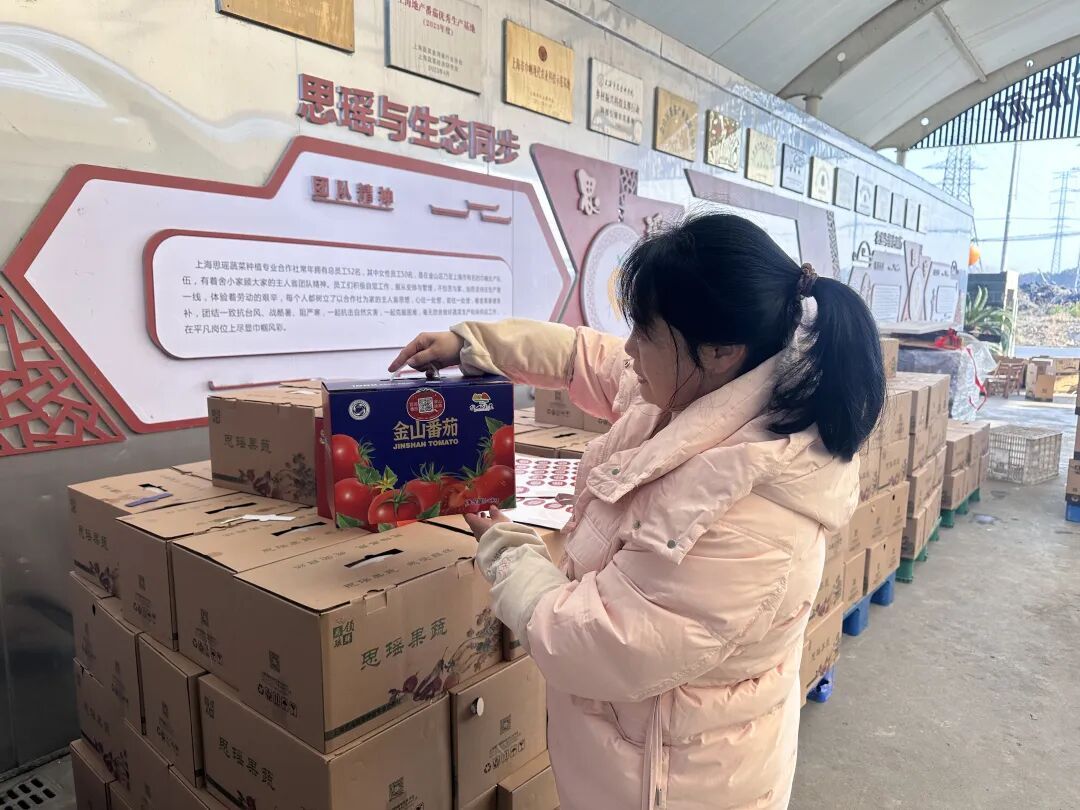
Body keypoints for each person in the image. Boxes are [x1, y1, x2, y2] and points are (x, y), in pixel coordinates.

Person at [389, 213, 886, 810]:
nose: (629, 350)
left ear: (720, 351)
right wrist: (474, 344)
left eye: (645, 334)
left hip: (676, 786)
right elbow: (586, 358)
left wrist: (507, 549)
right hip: (631, 756)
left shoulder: (751, 509)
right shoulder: (703, 394)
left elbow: (594, 643)